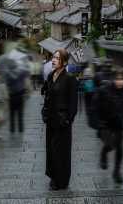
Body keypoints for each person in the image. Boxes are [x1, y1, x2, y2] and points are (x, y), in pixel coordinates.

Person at [91, 69, 123, 184]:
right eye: (117, 79)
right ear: (113, 79)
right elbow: (95, 105)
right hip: (105, 123)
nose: (119, 82)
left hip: (119, 124)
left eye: (122, 79)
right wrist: (97, 122)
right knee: (109, 144)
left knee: (119, 147)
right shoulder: (104, 90)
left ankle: (117, 172)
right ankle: (103, 153)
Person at [41, 48, 78, 190]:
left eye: (57, 58)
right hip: (51, 119)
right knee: (51, 149)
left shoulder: (70, 79)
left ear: (64, 61)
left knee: (61, 151)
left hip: (63, 121)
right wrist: (44, 112)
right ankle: (53, 177)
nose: (54, 60)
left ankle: (61, 180)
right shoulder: (51, 75)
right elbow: (47, 96)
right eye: (53, 57)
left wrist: (68, 119)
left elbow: (73, 103)